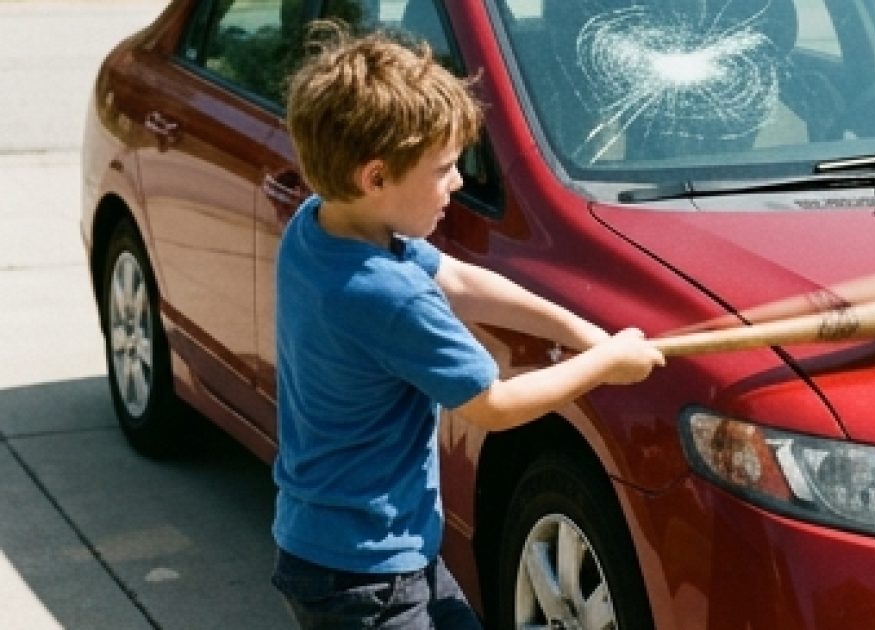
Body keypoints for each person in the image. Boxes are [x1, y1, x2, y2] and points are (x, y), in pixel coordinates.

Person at [269, 21, 666, 629]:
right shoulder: (386, 295)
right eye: (443, 168)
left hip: (357, 547)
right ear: (374, 177)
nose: (457, 182)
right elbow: (494, 405)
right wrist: (602, 367)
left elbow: (456, 279)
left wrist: (582, 330)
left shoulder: (319, 226)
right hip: (366, 577)